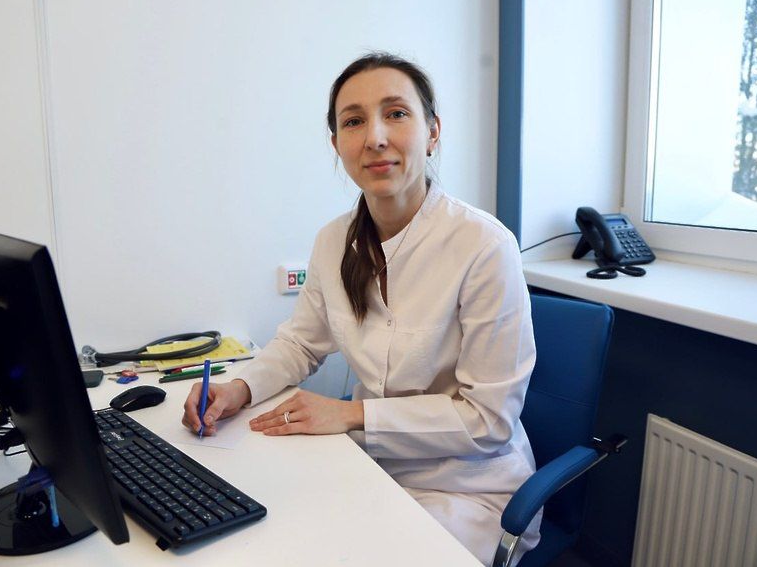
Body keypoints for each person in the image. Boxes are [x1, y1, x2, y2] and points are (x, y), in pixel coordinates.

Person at [182, 52, 541, 565]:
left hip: (467, 487)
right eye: (353, 121)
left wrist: (352, 414)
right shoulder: (333, 241)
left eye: (396, 113)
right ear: (336, 144)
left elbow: (489, 420)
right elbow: (300, 343)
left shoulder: (484, 246)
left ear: (432, 132)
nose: (374, 137)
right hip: (369, 466)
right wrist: (238, 388)